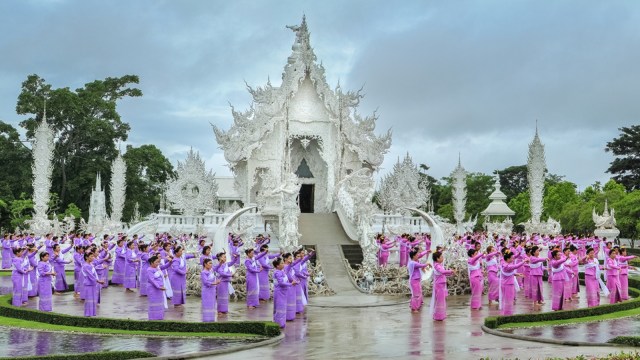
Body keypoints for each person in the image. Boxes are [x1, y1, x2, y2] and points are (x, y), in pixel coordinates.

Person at [500, 250, 527, 316]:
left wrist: (517, 274)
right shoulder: (506, 266)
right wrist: (523, 261)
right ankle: (508, 314)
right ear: (508, 258)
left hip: (505, 284)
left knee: (506, 299)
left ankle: (506, 313)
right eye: (512, 258)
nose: (513, 259)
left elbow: (509, 272)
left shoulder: (504, 264)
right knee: (509, 299)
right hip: (508, 284)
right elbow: (515, 266)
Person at [431, 251, 455, 321]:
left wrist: (451, 273)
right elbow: (443, 272)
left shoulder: (439, 265)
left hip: (441, 284)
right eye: (441, 257)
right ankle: (438, 316)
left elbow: (443, 273)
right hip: (439, 285)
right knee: (440, 300)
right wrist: (451, 271)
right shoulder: (437, 265)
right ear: (437, 259)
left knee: (441, 300)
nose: (443, 258)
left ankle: (440, 315)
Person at [272, 257, 293, 328]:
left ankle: (281, 323)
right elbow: (281, 283)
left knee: (283, 308)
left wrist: (290, 264)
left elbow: (288, 269)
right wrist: (291, 284)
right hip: (279, 292)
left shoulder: (282, 271)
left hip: (283, 292)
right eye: (281, 263)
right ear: (277, 265)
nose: (283, 264)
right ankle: (278, 324)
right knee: (279, 308)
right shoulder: (277, 272)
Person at [82, 252, 104, 317]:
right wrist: (98, 281)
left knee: (93, 299)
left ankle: (92, 313)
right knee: (89, 300)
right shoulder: (86, 266)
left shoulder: (91, 264)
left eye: (93, 256)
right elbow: (90, 276)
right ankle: (88, 314)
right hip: (88, 284)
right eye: (91, 256)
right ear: (86, 257)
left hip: (93, 284)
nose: (93, 258)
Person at [146, 255, 167, 320]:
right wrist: (159, 287)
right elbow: (152, 280)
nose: (158, 264)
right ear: (152, 263)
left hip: (159, 288)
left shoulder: (157, 268)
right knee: (154, 302)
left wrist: (170, 262)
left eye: (158, 262)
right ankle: (153, 317)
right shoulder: (149, 270)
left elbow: (165, 266)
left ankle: (159, 317)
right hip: (153, 289)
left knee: (159, 303)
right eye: (156, 262)